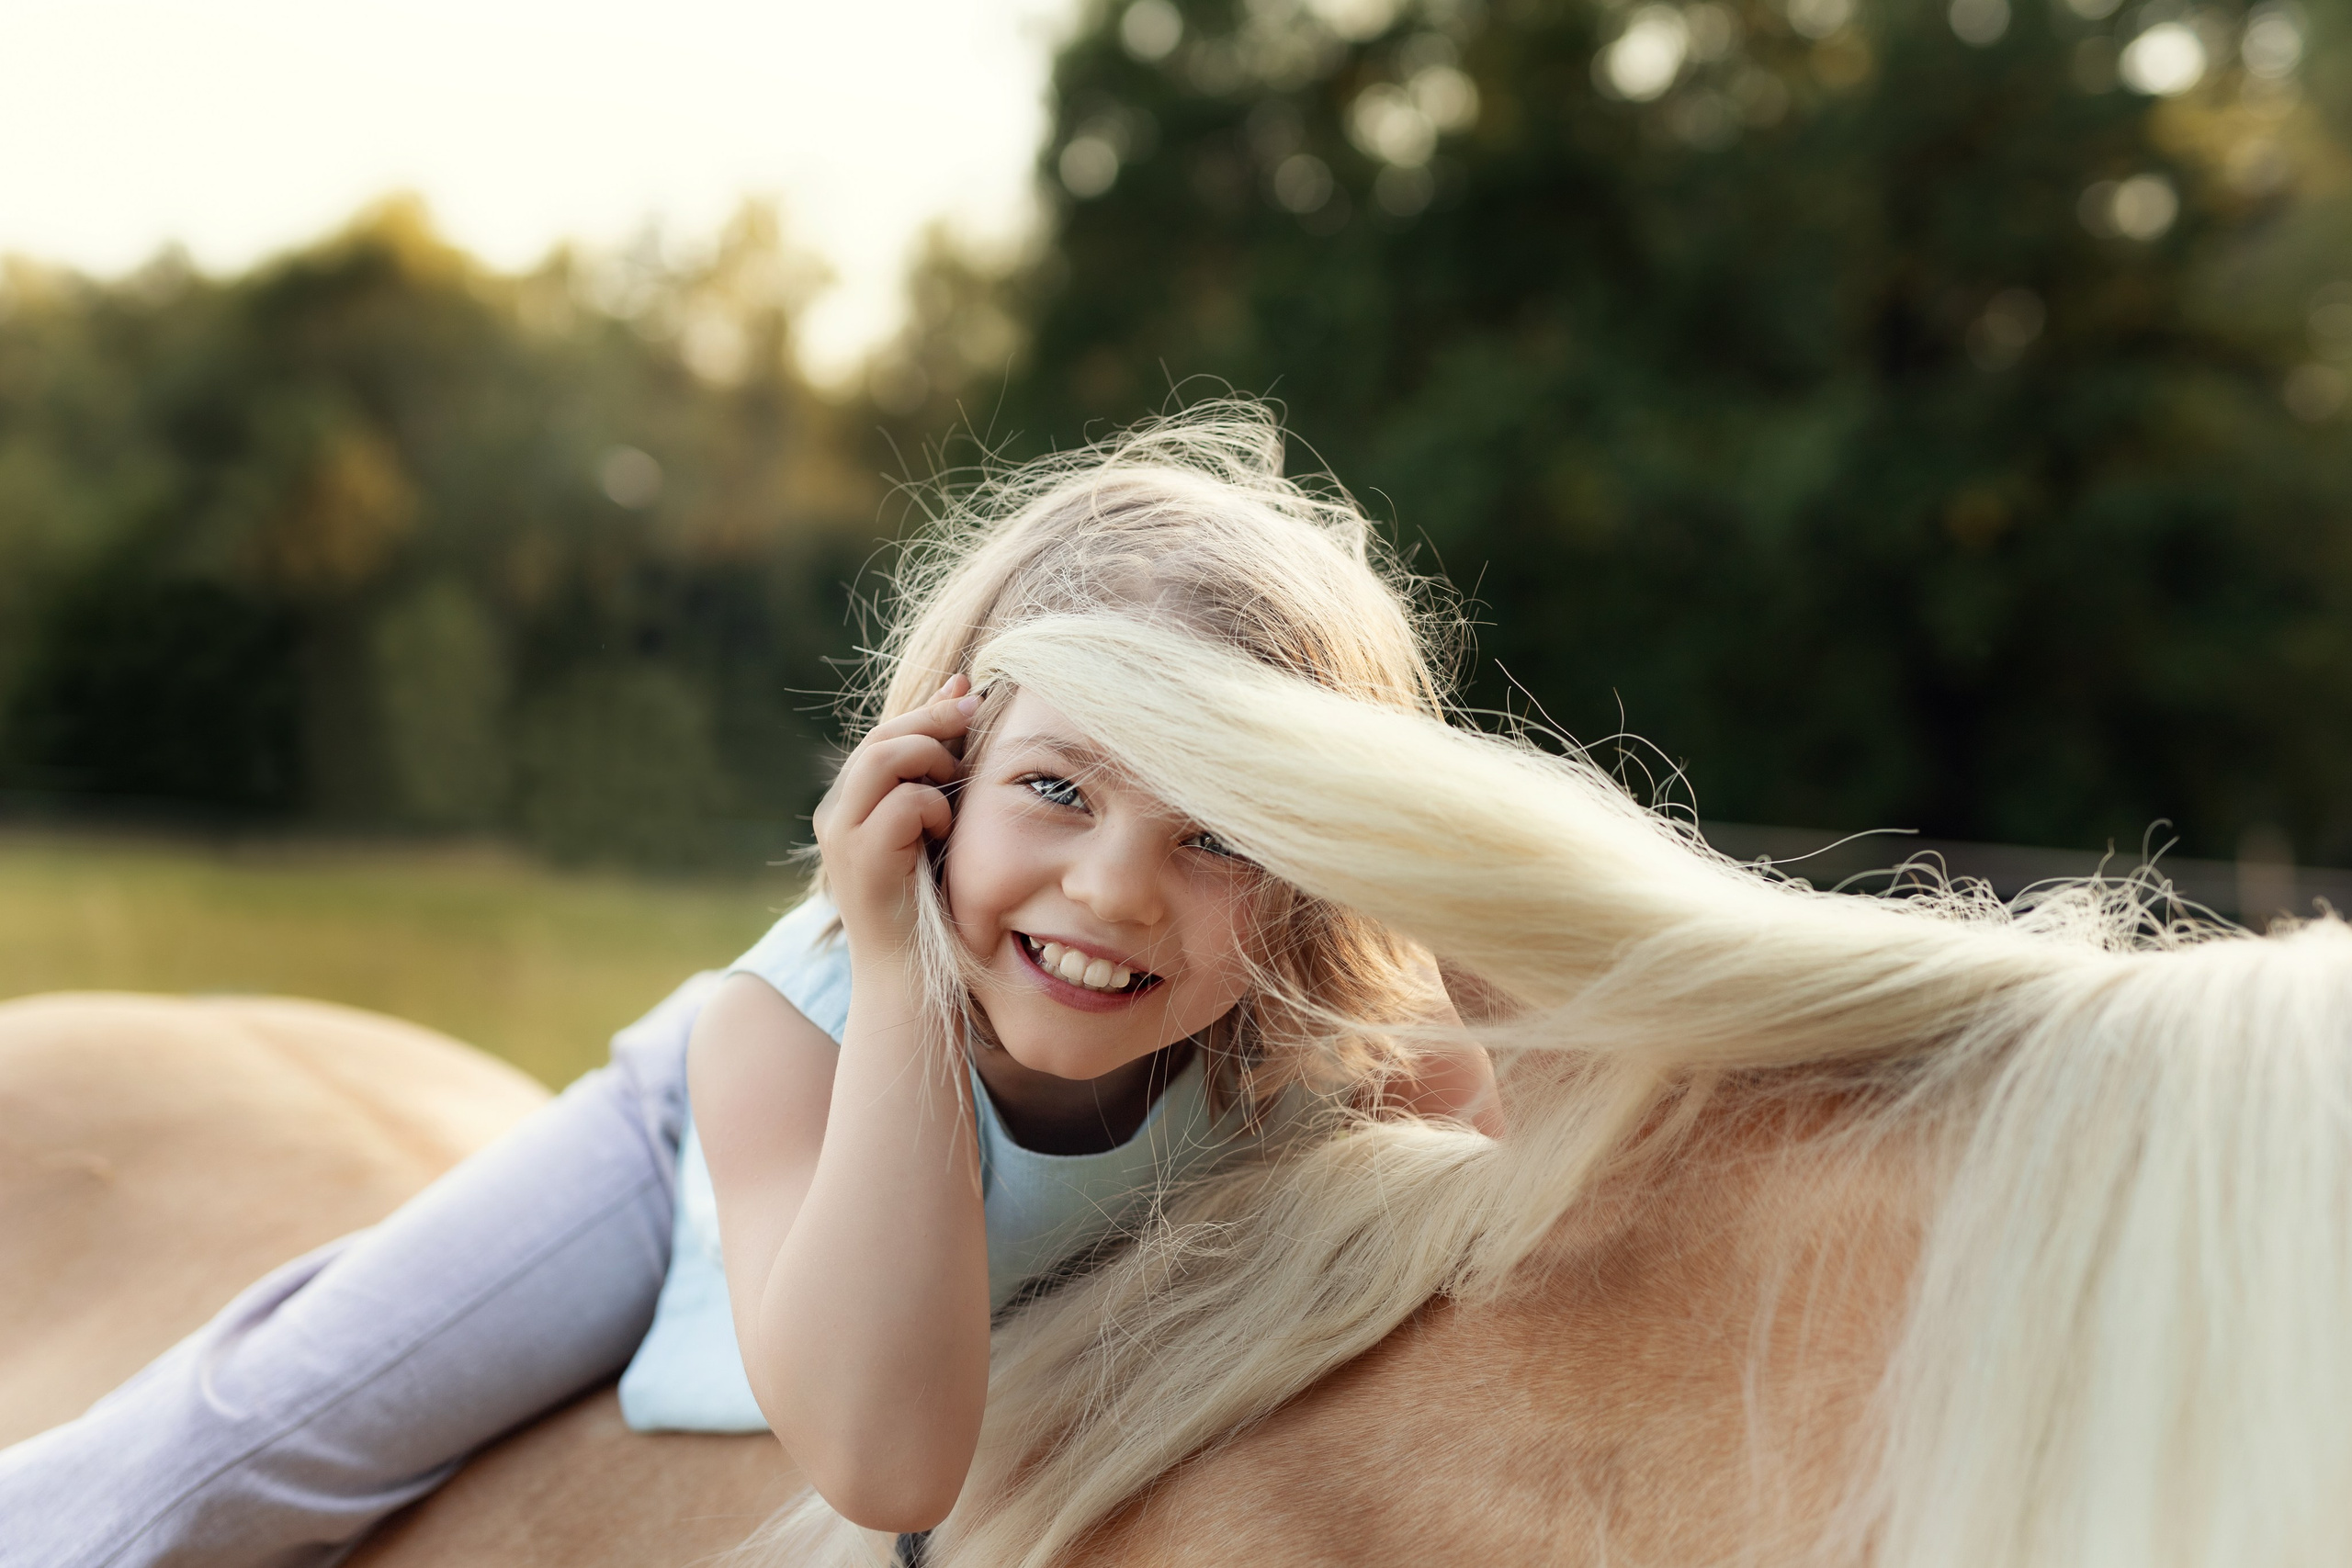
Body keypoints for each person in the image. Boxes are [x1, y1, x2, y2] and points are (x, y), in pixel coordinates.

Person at [0, 403, 1498, 1567]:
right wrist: (898, 963)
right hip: (698, 1144)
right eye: (1056, 788)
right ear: (938, 772)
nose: (1113, 889)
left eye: (1219, 834)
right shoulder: (779, 1029)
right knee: (271, 1429)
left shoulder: (1351, 1058)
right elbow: (887, 1464)